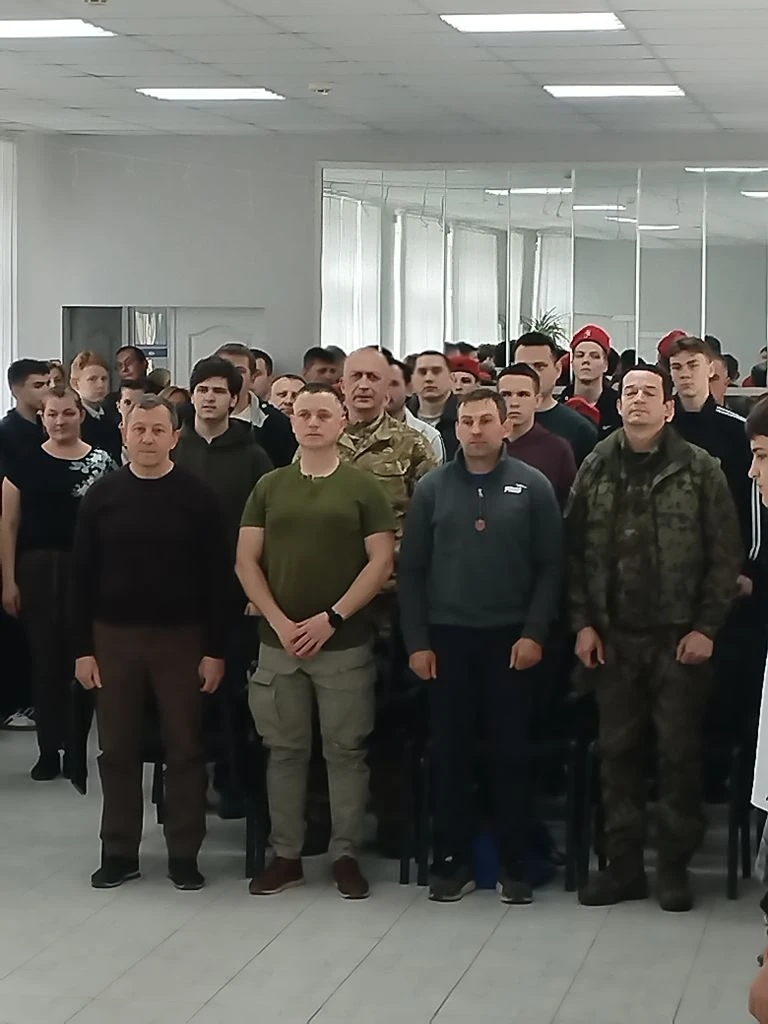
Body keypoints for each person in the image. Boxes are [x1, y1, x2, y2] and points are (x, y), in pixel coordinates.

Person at [567, 366, 742, 912]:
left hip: (678, 640)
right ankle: (623, 868)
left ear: (669, 408)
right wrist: (583, 623)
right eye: (630, 393)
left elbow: (725, 555)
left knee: (677, 754)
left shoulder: (700, 468)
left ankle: (672, 868)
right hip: (614, 639)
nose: (638, 399)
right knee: (616, 753)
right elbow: (572, 551)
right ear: (619, 405)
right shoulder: (595, 465)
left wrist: (706, 628)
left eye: (650, 392)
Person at [399, 389, 562, 904]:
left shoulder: (533, 485)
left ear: (504, 426)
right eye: (466, 421)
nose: (475, 430)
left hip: (511, 640)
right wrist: (417, 642)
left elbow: (551, 567)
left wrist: (534, 633)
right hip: (447, 640)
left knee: (511, 754)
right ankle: (454, 860)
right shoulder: (432, 488)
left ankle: (516, 862)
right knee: (450, 754)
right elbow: (412, 571)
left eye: (486, 420)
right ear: (456, 428)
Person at [236, 383, 396, 900]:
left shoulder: (362, 487)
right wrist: (281, 622)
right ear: (292, 420)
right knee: (284, 752)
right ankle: (287, 855)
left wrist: (333, 617)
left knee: (345, 752)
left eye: (323, 414)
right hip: (278, 644)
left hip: (344, 645)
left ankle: (345, 854)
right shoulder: (270, 486)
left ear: (341, 421)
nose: (312, 422)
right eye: (303, 414)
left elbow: (380, 562)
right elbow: (246, 561)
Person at [73, 394, 230, 891]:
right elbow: (81, 577)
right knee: (116, 749)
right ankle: (119, 851)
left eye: (158, 430)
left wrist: (215, 650)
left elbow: (218, 580)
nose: (147, 438)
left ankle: (184, 853)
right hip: (112, 638)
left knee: (184, 748)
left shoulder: (199, 497)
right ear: (124, 434)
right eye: (138, 429)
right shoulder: (102, 496)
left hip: (182, 639)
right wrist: (82, 649)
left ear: (174, 437)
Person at [172, 357, 272, 818]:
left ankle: (233, 780)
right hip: (179, 592)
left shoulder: (253, 455)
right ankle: (189, 783)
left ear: (235, 399)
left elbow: (267, 526)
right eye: (202, 390)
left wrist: (256, 591)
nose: (209, 398)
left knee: (231, 690)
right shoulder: (175, 447)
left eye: (218, 391)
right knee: (183, 692)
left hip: (234, 591)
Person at [1, 385, 114, 780]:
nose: (60, 421)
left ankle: (77, 749)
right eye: (52, 414)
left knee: (84, 658)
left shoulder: (103, 462)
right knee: (45, 661)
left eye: (67, 413)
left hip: (89, 569)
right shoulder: (24, 461)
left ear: (80, 414)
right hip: (37, 569)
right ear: (42, 417)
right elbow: (8, 523)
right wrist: (8, 580)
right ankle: (49, 748)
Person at [340, 347, 438, 545]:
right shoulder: (319, 440)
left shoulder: (413, 444)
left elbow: (431, 513)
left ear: (386, 387)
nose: (364, 385)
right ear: (342, 385)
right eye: (356, 376)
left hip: (393, 558)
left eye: (373, 377)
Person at [498, 364, 577, 507]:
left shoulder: (557, 449)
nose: (514, 403)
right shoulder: (484, 444)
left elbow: (568, 506)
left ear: (537, 400)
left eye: (523, 395)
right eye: (506, 395)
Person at [515, 333, 597, 465]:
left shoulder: (580, 430)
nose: (531, 374)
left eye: (539, 367)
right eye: (522, 367)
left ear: (558, 369)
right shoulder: (495, 423)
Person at [216, 343, 297, 467]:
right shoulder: (190, 418)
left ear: (252, 378)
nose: (231, 377)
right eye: (224, 370)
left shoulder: (278, 423)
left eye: (239, 371)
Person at [561, 325, 622, 436]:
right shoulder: (560, 405)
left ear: (606, 365)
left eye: (594, 356)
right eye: (580, 355)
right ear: (572, 363)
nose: (586, 360)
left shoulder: (619, 408)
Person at [387, 358, 444, 465]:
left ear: (409, 388)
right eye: (380, 383)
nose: (385, 390)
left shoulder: (428, 437)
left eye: (393, 384)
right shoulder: (356, 431)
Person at [69, 351, 122, 464]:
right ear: (75, 384)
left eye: (104, 379)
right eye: (92, 379)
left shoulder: (113, 415)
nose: (100, 385)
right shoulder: (72, 419)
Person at [408, 350, 460, 460]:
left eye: (436, 372)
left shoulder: (465, 417)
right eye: (422, 372)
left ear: (452, 379)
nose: (429, 378)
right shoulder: (402, 418)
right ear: (412, 380)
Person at [0, 359, 49, 467]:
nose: (47, 390)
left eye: (48, 384)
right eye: (38, 385)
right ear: (16, 390)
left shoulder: (49, 426)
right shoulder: (5, 433)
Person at [103, 345, 151, 421]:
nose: (124, 369)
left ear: (144, 364)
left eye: (129, 363)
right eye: (119, 365)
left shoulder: (161, 395)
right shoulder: (110, 402)